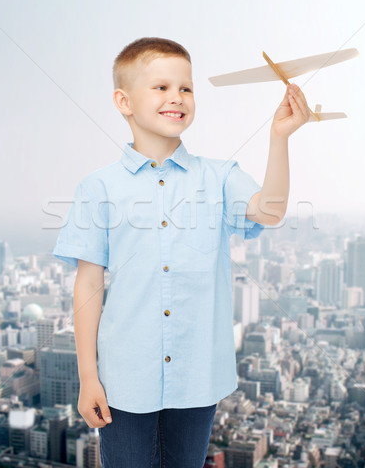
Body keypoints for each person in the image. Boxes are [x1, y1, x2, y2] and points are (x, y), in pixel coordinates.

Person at [52, 37, 310, 467]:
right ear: (124, 101)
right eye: (161, 87)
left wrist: (279, 137)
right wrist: (87, 377)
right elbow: (89, 283)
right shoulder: (98, 187)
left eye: (186, 88)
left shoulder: (220, 176)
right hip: (123, 380)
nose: (177, 98)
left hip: (196, 380)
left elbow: (271, 210)